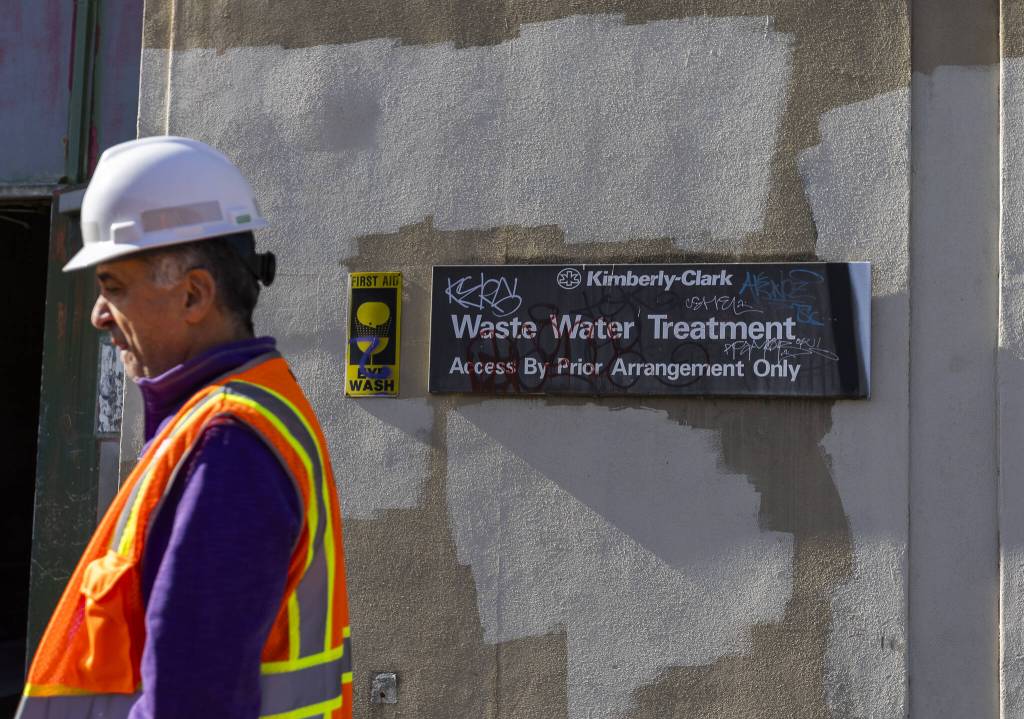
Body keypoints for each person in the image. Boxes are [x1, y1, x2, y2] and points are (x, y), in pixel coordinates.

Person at [16, 137, 352, 719]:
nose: (99, 315)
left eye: (112, 287)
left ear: (194, 293)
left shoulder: (227, 444)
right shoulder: (240, 416)